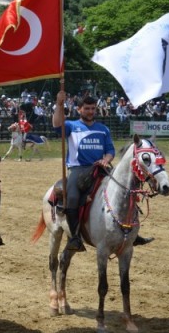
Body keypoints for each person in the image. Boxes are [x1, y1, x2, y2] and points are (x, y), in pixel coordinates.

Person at [52, 91, 153, 251]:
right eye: (87, 108)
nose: (91, 111)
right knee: (72, 197)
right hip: (78, 169)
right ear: (79, 109)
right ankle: (75, 237)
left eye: (93, 108)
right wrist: (59, 104)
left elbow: (110, 150)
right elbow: (57, 125)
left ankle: (132, 233)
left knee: (127, 190)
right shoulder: (72, 126)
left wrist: (106, 159)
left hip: (101, 168)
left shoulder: (103, 129)